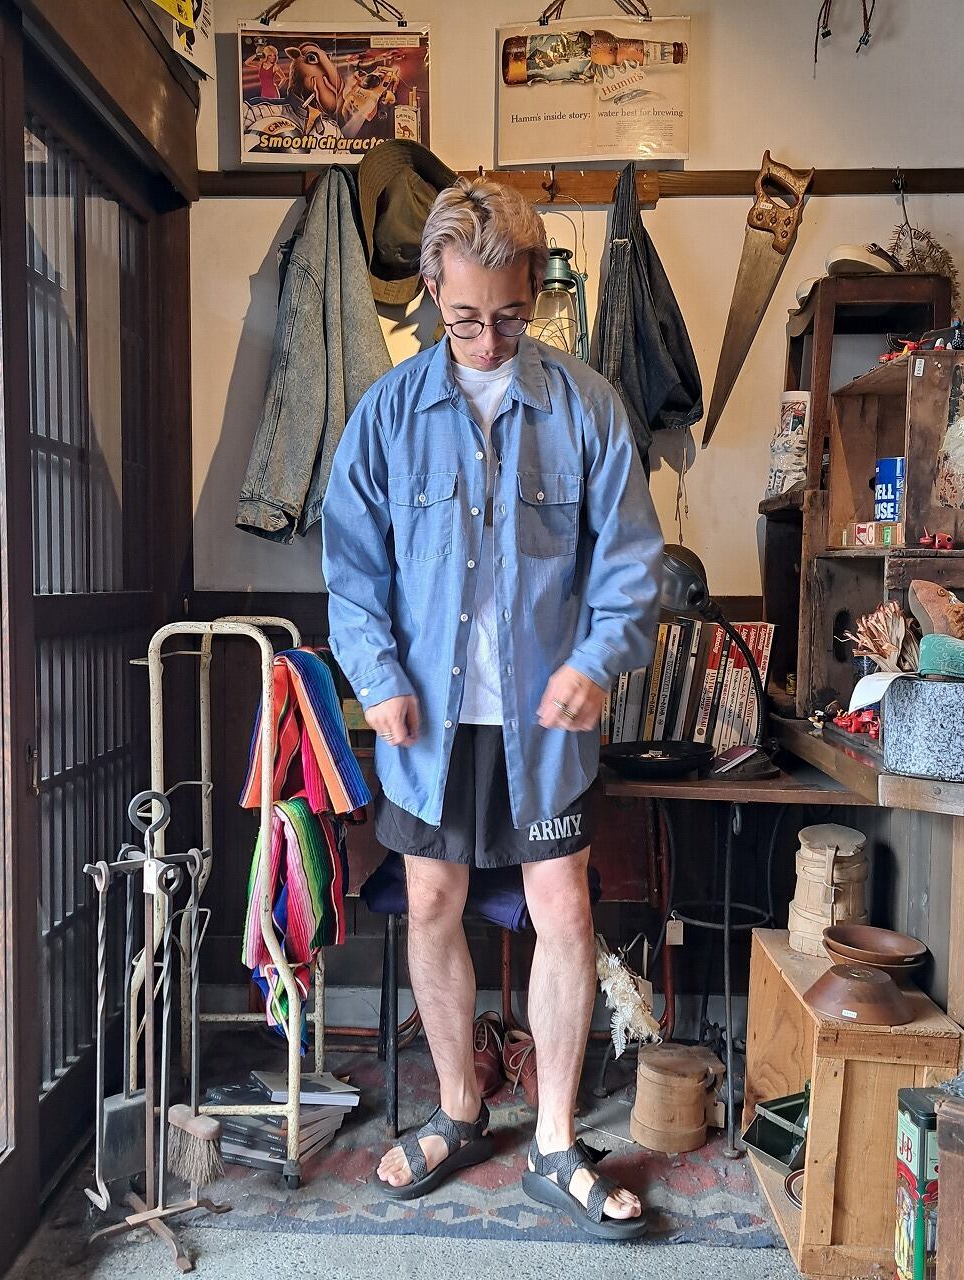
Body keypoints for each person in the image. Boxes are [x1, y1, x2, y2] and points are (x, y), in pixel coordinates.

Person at [322, 179, 662, 1240]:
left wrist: (597, 660)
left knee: (563, 908)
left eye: (509, 317)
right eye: (466, 317)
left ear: (536, 293)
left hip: (544, 718)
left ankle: (555, 1141)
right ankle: (460, 1111)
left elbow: (631, 564)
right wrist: (376, 675)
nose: (486, 339)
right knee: (431, 902)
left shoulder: (586, 406)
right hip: (427, 718)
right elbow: (351, 570)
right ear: (432, 288)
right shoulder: (386, 414)